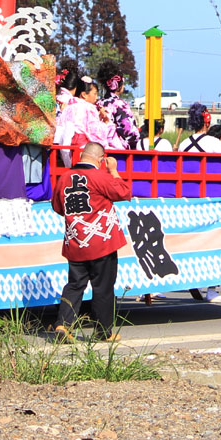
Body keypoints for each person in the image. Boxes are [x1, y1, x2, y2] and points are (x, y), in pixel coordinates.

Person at [51, 141, 132, 341]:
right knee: (103, 287)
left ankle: (63, 324)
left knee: (75, 285)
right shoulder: (99, 176)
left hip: (76, 241)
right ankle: (103, 332)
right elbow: (124, 192)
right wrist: (113, 170)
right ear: (101, 160)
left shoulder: (64, 178)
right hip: (101, 241)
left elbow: (57, 207)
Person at [54, 74, 121, 162]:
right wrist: (106, 122)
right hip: (84, 152)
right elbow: (97, 134)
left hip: (67, 151)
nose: (97, 97)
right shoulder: (88, 108)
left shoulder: (68, 107)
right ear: (84, 94)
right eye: (95, 94)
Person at [97, 68, 140, 150]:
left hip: (100, 147)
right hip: (118, 150)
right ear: (118, 86)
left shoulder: (99, 103)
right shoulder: (120, 104)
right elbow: (130, 131)